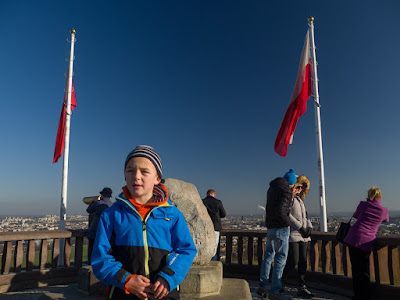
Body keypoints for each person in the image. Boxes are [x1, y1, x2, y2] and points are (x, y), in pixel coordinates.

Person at [91, 145, 197, 300]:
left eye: (144, 171)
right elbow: (100, 257)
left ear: (157, 179)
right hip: (123, 293)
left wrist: (168, 277)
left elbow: (185, 250)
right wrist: (125, 279)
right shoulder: (111, 215)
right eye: (130, 170)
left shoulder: (172, 214)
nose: (137, 176)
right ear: (125, 176)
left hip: (163, 293)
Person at [257, 168, 300, 300]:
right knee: (280, 259)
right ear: (291, 183)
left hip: (270, 227)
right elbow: (282, 209)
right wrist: (287, 223)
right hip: (281, 228)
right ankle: (275, 289)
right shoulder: (286, 190)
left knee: (268, 257)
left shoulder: (272, 189)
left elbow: (272, 207)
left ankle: (263, 285)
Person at [343, 186, 389, 300]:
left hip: (353, 238)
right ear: (380, 197)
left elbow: (356, 215)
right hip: (366, 242)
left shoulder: (363, 205)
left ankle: (357, 295)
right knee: (364, 270)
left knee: (356, 269)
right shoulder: (383, 210)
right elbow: (386, 220)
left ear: (368, 195)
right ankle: (366, 296)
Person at [283, 175, 315, 298]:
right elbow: (288, 215)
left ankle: (302, 286)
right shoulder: (289, 200)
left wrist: (309, 227)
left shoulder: (300, 201)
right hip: (294, 234)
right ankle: (278, 280)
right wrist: (300, 227)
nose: (300, 189)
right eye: (298, 187)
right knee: (293, 260)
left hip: (304, 236)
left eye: (301, 187)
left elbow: (305, 216)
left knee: (303, 261)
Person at [86, 187, 114, 261]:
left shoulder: (99, 203)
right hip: (108, 234)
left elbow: (89, 210)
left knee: (93, 254)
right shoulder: (113, 205)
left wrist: (94, 201)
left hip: (95, 233)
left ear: (102, 195)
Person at [202, 189, 226, 259]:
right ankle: (213, 261)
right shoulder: (218, 202)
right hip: (215, 226)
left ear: (207, 194)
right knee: (214, 247)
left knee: (205, 245)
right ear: (214, 195)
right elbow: (223, 214)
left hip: (204, 227)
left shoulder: (202, 201)